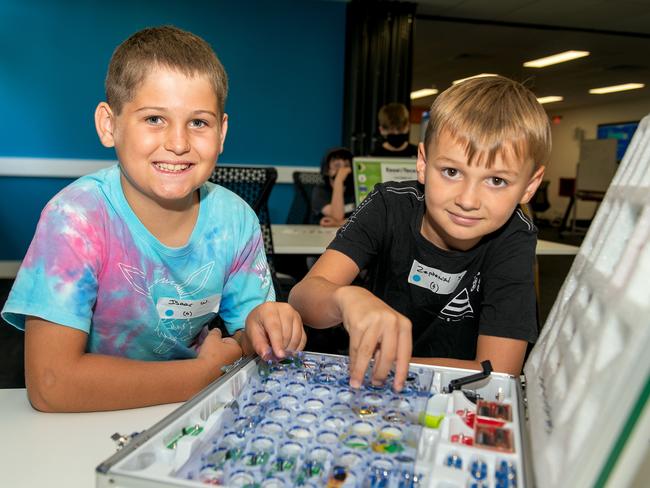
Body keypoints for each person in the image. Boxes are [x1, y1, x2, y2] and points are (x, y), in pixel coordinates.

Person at [1, 26, 305, 412]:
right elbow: (51, 385)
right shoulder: (75, 218)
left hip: (188, 419)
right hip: (85, 418)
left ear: (222, 131)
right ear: (109, 125)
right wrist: (202, 375)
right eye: (154, 119)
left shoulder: (235, 220)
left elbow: (248, 335)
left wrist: (264, 324)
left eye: (198, 123)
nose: (178, 143)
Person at [289, 76, 549, 391]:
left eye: (496, 181)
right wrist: (345, 296)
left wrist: (393, 366)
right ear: (423, 164)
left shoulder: (514, 238)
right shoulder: (389, 205)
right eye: (452, 172)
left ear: (530, 185)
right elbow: (303, 298)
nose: (467, 200)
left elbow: (498, 372)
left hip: (451, 398)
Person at [311, 147, 356, 227]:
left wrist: (339, 223)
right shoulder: (320, 191)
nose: (342, 170)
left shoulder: (356, 189)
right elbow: (337, 216)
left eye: (346, 166)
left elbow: (366, 220)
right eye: (337, 166)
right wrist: (339, 180)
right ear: (327, 170)